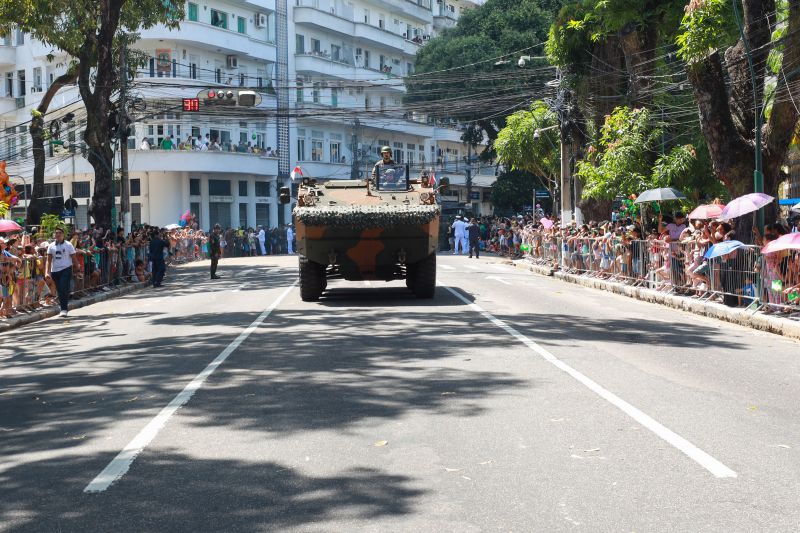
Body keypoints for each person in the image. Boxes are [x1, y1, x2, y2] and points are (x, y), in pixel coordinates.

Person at [45, 227, 81, 317]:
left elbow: (73, 257)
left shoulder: (68, 245)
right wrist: (47, 272)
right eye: (56, 233)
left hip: (66, 269)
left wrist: (78, 267)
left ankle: (63, 309)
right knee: (60, 290)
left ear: (63, 235)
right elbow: (48, 261)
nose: (57, 234)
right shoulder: (51, 246)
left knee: (63, 287)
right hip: (55, 271)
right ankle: (63, 306)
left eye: (59, 233)